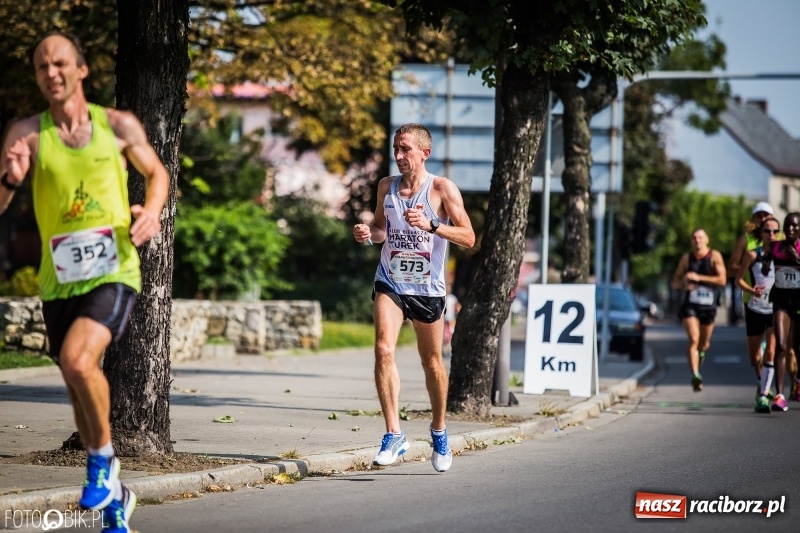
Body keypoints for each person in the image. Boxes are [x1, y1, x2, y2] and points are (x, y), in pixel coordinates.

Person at [0, 33, 168, 532]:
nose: (50, 73)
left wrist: (153, 212)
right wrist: (10, 179)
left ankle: (101, 465)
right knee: (77, 379)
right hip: (59, 281)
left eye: (59, 63)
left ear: (81, 70)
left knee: (77, 358)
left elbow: (157, 173)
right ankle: (116, 499)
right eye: (41, 67)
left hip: (114, 267)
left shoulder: (117, 125)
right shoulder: (26, 133)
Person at [352, 123, 475, 472]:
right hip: (391, 281)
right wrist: (367, 232)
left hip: (427, 289)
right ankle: (394, 434)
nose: (399, 155)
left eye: (406, 149)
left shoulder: (441, 189)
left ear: (425, 153)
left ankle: (439, 430)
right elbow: (380, 230)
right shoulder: (386, 187)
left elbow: (468, 237)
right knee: (383, 349)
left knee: (432, 362)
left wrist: (432, 225)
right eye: (396, 148)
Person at [671, 228, 727, 392]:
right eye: (694, 238)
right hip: (690, 305)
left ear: (707, 239)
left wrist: (698, 278)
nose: (697, 240)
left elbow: (722, 280)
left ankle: (700, 354)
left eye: (700, 237)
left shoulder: (714, 256)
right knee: (693, 338)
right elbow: (675, 281)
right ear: (691, 241)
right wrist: (683, 284)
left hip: (709, 306)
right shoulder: (686, 259)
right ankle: (695, 375)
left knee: (704, 344)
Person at [735, 216, 779, 413]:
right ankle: (762, 383)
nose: (771, 235)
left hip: (774, 311)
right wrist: (752, 291)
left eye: (775, 231)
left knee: (771, 352)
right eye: (767, 231)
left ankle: (763, 396)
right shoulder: (753, 255)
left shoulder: (784, 256)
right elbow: (738, 281)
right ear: (760, 234)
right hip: (754, 309)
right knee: (754, 358)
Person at [761, 212, 800, 412]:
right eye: (788, 226)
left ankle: (798, 381)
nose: (791, 229)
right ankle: (780, 396)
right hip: (781, 301)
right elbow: (766, 264)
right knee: (782, 345)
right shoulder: (776, 246)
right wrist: (767, 264)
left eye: (795, 226)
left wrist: (797, 259)